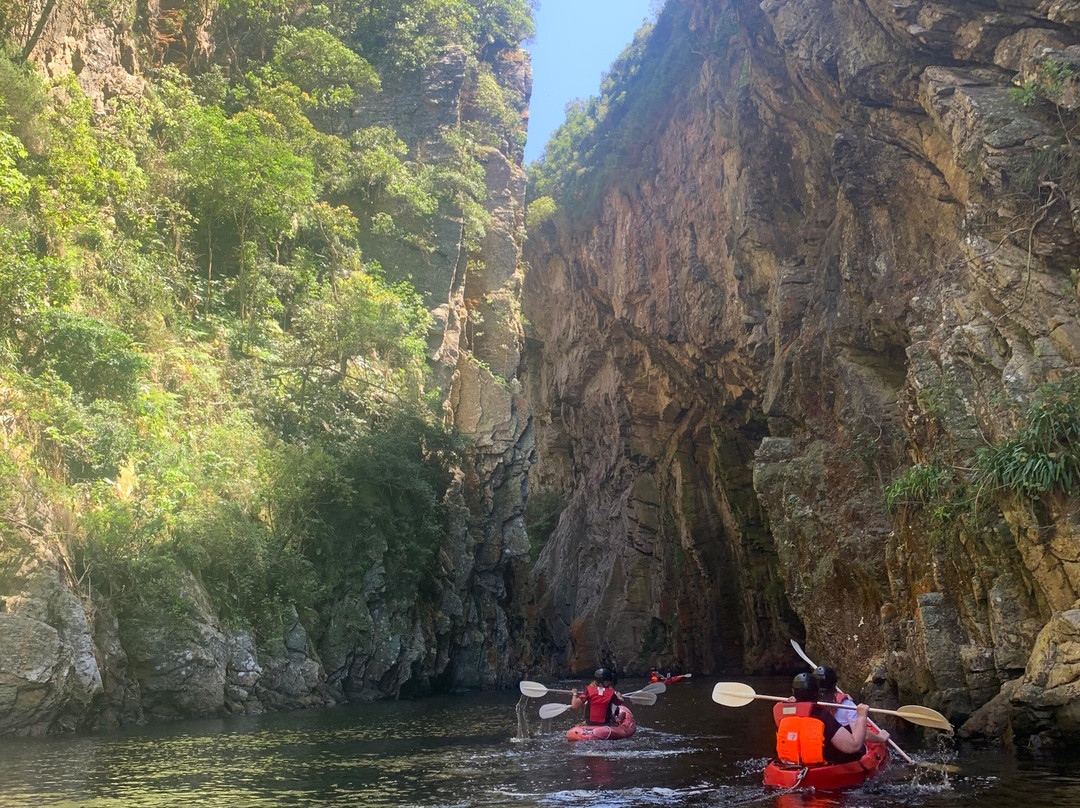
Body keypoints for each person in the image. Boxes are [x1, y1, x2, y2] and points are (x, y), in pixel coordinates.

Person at [777, 673, 869, 765]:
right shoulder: (821, 715)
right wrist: (862, 716)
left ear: (794, 693)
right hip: (822, 768)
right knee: (860, 749)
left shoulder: (784, 713)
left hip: (790, 765)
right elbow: (853, 746)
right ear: (817, 692)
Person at [813, 665, 889, 744]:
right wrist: (880, 738)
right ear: (834, 682)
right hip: (843, 751)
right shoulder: (846, 705)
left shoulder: (808, 703)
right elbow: (863, 735)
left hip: (820, 746)